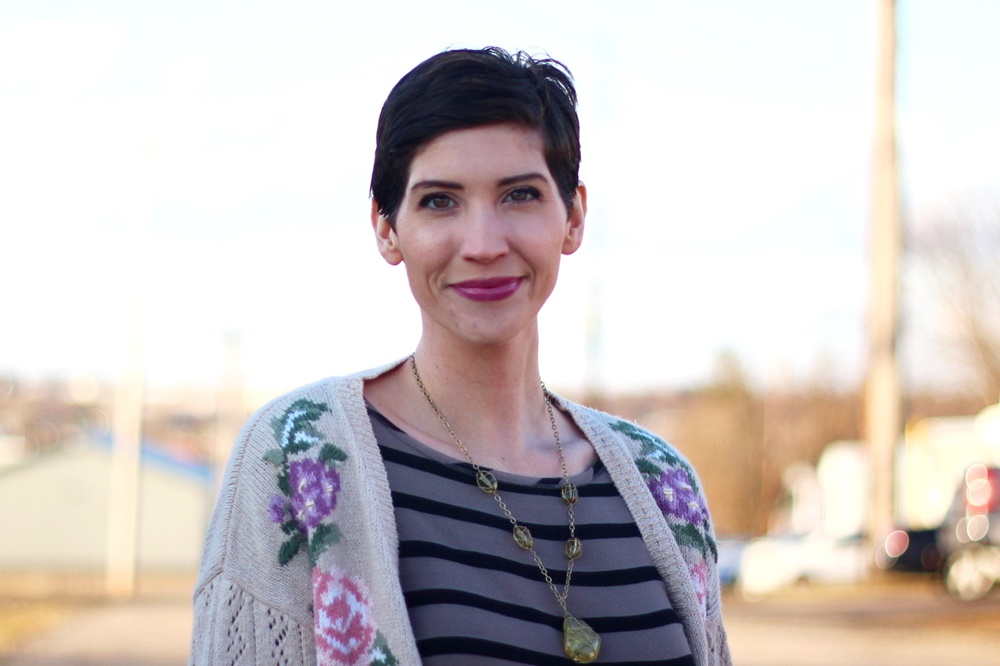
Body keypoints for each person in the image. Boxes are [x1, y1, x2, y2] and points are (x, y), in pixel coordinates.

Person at [191, 47, 731, 666]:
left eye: (521, 195)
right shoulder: (296, 454)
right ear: (386, 228)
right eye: (440, 201)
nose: (482, 244)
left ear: (574, 216)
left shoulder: (663, 484)